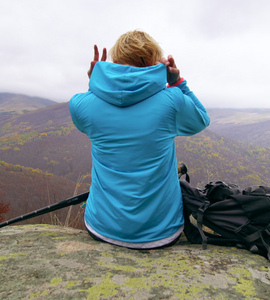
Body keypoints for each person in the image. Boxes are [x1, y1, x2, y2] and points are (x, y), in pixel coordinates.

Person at [69, 30, 210, 249]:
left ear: (114, 61)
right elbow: (201, 119)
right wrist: (177, 82)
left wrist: (95, 82)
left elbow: (88, 111)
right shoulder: (172, 101)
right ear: (156, 63)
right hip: (162, 232)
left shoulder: (81, 105)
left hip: (102, 228)